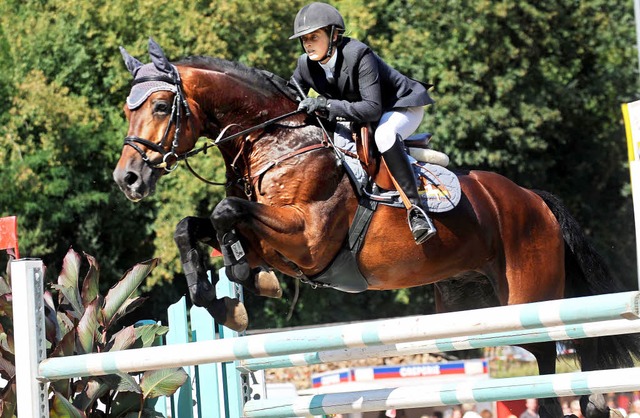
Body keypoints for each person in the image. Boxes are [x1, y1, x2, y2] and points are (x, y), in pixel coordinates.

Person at [289, 2, 437, 244]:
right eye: (304, 39)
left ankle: (417, 211)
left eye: (314, 37)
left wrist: (325, 105)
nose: (307, 44)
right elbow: (292, 95)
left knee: (384, 135)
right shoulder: (305, 65)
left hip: (399, 106)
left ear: (334, 35)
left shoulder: (358, 55)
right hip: (359, 113)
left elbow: (372, 109)